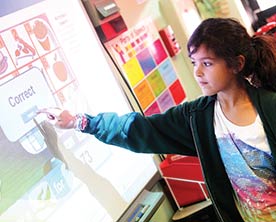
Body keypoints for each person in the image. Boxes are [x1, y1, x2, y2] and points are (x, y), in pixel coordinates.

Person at [37, 18, 276, 222]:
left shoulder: (270, 107)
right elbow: (138, 129)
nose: (198, 73)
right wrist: (80, 122)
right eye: (194, 63)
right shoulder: (197, 118)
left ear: (237, 64)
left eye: (207, 63)